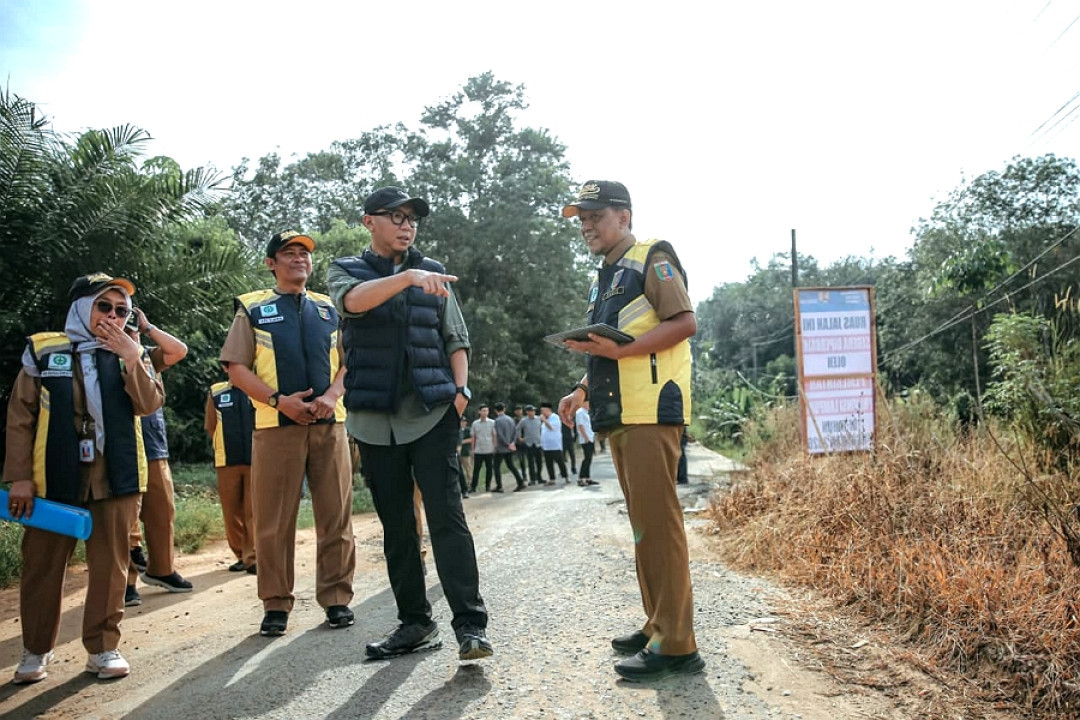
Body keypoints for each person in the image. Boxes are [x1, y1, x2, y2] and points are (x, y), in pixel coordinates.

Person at [327, 185, 491, 661]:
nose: (406, 225)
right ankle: (415, 624)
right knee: (397, 526)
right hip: (374, 421)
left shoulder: (435, 276)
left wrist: (460, 394)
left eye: (412, 218)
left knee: (447, 519)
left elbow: (455, 339)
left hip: (432, 413)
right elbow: (353, 303)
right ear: (368, 222)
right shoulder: (346, 271)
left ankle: (470, 626)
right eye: (395, 216)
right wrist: (408, 279)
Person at [557, 180, 704, 681]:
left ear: (623, 215)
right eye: (581, 218)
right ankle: (657, 623)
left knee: (659, 526)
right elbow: (610, 339)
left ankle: (678, 643)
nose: (586, 226)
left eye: (595, 216)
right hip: (620, 412)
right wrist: (581, 389)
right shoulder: (604, 277)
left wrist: (620, 353)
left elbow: (683, 322)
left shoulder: (651, 257)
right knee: (643, 527)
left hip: (650, 410)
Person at [5, 273, 165, 683]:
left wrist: (133, 356)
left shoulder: (131, 353)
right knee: (42, 564)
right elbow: (20, 420)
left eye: (121, 310)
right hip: (51, 476)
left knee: (111, 565)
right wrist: (19, 477)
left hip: (116, 474)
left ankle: (103, 648)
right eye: (104, 306)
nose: (113, 316)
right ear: (80, 308)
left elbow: (148, 405)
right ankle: (35, 651)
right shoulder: (43, 351)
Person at [220, 230, 356, 637]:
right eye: (288, 253)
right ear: (271, 263)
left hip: (330, 426)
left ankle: (336, 599)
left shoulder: (331, 309)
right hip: (276, 427)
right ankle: (276, 604)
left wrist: (332, 395)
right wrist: (279, 400)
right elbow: (235, 367)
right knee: (274, 522)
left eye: (304, 253)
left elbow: (351, 362)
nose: (299, 258)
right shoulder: (253, 309)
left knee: (336, 516)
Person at [124, 309, 193, 605]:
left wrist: (147, 327)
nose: (126, 326)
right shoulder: (100, 356)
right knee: (125, 519)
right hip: (123, 447)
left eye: (127, 317)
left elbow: (178, 350)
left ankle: (161, 569)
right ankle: (126, 582)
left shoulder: (146, 355)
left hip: (154, 446)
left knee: (162, 512)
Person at [205, 374, 257, 574]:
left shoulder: (259, 390)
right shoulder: (217, 392)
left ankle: (253, 557)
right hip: (226, 461)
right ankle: (240, 556)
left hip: (256, 460)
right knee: (231, 512)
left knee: (254, 510)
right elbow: (211, 426)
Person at [493, 402, 525, 491]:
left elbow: (499, 434)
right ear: (504, 409)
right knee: (511, 465)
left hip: (501, 448)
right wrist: (512, 443)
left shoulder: (497, 421)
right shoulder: (510, 419)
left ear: (496, 410)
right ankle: (520, 481)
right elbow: (515, 433)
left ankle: (499, 486)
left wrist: (506, 443)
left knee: (496, 467)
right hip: (510, 446)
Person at [469, 404, 497, 493]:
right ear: (479, 412)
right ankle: (473, 487)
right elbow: (473, 437)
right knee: (476, 469)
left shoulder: (492, 422)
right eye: (483, 411)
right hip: (478, 449)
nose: (485, 412)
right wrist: (472, 449)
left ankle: (487, 486)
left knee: (489, 468)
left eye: (486, 411)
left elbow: (494, 435)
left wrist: (495, 446)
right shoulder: (475, 423)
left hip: (489, 448)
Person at [538, 402, 568, 485]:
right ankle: (552, 479)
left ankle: (565, 477)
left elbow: (551, 428)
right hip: (546, 446)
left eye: (543, 411)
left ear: (548, 410)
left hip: (555, 445)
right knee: (548, 463)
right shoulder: (544, 421)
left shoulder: (555, 417)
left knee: (560, 462)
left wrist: (544, 420)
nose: (542, 413)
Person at [516, 404, 543, 484]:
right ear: (527, 412)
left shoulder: (538, 419)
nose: (532, 412)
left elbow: (543, 428)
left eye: (533, 411)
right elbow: (517, 429)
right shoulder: (524, 420)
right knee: (531, 463)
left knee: (539, 462)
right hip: (529, 443)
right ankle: (532, 479)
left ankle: (539, 477)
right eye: (530, 411)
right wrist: (520, 437)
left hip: (538, 442)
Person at [575, 399, 597, 487]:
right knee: (586, 458)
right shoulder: (580, 412)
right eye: (588, 403)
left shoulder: (588, 412)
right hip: (586, 439)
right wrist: (586, 437)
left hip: (590, 437)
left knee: (589, 459)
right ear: (583, 403)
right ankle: (581, 478)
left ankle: (587, 478)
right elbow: (580, 425)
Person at [458, 415, 473, 499]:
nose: (463, 423)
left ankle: (469, 483)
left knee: (468, 468)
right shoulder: (457, 429)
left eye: (464, 421)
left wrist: (461, 442)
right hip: (458, 453)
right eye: (461, 421)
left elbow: (471, 439)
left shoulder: (467, 430)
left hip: (465, 451)